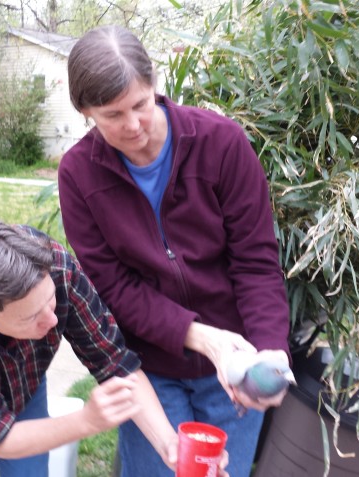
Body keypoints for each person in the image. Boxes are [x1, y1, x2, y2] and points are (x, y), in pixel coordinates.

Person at [58, 25, 292, 477]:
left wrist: (268, 355)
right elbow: (114, 288)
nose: (132, 126)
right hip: (151, 367)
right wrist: (202, 337)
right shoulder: (78, 176)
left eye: (140, 105)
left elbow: (256, 263)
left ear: (155, 85)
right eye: (111, 115)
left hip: (237, 361)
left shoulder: (222, 144)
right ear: (85, 111)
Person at [0, 219, 222, 477]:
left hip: (21, 378)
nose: (52, 321)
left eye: (51, 302)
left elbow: (117, 364)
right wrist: (87, 421)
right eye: (32, 317)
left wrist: (169, 444)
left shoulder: (57, 268)